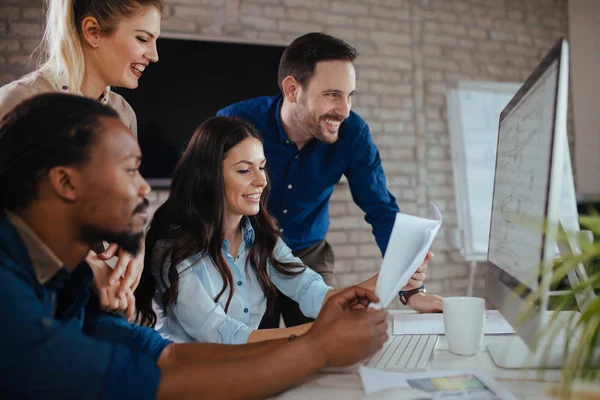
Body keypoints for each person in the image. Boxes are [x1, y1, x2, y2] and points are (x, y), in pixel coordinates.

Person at [0, 93, 388, 399]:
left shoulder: (75, 285)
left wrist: (330, 328)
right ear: (65, 183)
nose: (143, 188)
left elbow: (167, 358)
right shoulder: (9, 295)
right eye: (129, 169)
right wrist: (319, 346)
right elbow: (155, 382)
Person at [134, 116, 429, 344]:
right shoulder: (174, 246)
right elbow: (224, 336)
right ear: (209, 176)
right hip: (194, 381)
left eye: (262, 167)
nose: (261, 181)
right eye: (244, 170)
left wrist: (394, 277)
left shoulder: (261, 235)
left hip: (247, 370)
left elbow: (312, 291)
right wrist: (321, 335)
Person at [217, 32, 443, 328]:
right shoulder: (235, 123)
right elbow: (203, 196)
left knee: (329, 337)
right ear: (292, 89)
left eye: (349, 96)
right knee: (258, 349)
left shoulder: (353, 133)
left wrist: (410, 286)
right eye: (332, 94)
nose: (345, 110)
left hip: (309, 254)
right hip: (247, 257)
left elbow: (380, 208)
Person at [0, 0, 164, 316]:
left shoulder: (123, 114)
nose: (154, 55)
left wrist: (135, 247)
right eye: (143, 39)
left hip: (98, 307)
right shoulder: (16, 103)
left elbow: (124, 200)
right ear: (92, 31)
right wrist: (83, 267)